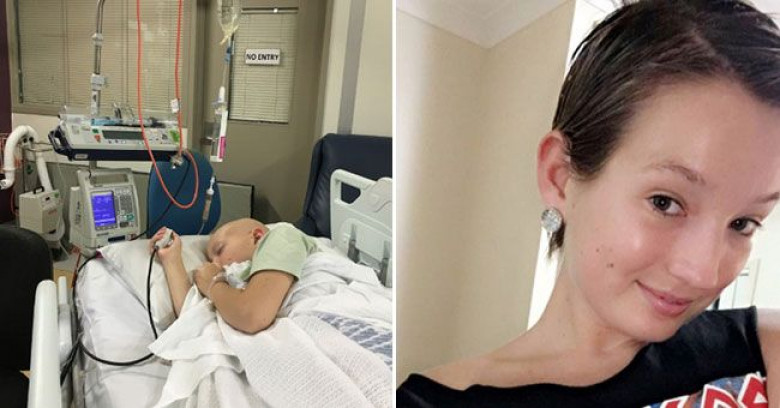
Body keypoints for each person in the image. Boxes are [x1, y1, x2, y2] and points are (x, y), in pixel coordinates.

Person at [397, 0, 780, 406]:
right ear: (559, 176)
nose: (703, 273)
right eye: (665, 202)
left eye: (743, 223)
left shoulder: (760, 348)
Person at [150, 218, 319, 334]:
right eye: (211, 260)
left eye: (220, 250)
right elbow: (195, 320)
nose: (216, 264)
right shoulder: (236, 286)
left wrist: (213, 284)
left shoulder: (282, 236)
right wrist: (171, 260)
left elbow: (252, 316)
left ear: (257, 236)